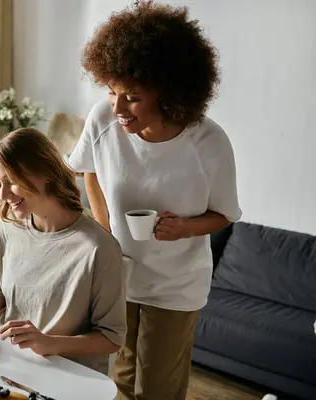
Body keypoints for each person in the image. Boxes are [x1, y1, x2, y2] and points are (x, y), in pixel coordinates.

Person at [68, 1, 242, 399]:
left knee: (159, 387)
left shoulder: (208, 143)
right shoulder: (102, 120)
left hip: (176, 285)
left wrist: (186, 227)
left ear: (168, 92)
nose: (117, 107)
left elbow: (226, 215)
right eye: (111, 92)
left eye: (132, 97)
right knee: (120, 379)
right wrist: (103, 220)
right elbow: (86, 167)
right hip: (120, 275)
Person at [0, 127, 127, 374]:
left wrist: (48, 343)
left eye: (10, 182)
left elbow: (111, 338)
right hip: (7, 361)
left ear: (43, 173)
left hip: (66, 374)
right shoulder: (8, 224)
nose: (3, 195)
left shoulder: (98, 248)